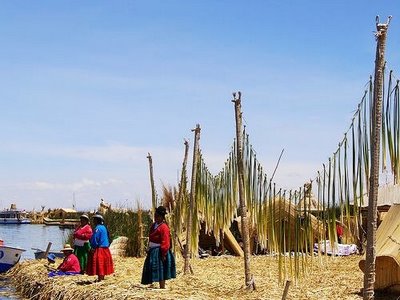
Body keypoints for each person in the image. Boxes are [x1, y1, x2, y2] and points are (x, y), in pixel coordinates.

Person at [141, 206, 176, 289]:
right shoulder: (154, 225)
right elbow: (150, 236)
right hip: (153, 250)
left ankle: (162, 287)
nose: (155, 217)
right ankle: (152, 283)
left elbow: (166, 241)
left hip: (160, 251)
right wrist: (149, 247)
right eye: (155, 215)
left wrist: (163, 254)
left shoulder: (164, 227)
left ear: (161, 217)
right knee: (152, 268)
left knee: (161, 269)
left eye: (157, 216)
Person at [86, 213, 114, 282]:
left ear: (97, 220)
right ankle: (102, 278)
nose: (93, 221)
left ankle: (100, 279)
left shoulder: (97, 228)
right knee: (103, 263)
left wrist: (92, 247)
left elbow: (95, 238)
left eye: (94, 220)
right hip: (106, 248)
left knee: (99, 264)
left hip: (100, 249)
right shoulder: (104, 227)